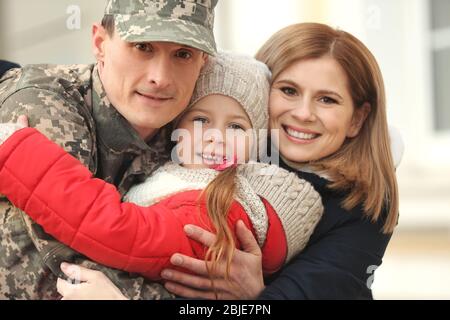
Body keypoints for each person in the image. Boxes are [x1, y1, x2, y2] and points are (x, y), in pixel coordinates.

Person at [0, 52, 323, 291]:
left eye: (237, 127)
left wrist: (17, 152)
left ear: (255, 144)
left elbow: (118, 231)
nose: (216, 136)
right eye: (200, 120)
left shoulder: (226, 208)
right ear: (176, 125)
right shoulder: (168, 173)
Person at [155, 22, 400, 300]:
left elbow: (317, 286)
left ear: (357, 119)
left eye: (327, 100)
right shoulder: (213, 148)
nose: (304, 113)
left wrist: (257, 292)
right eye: (289, 91)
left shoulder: (364, 202)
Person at [0, 0, 218, 300]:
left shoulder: (202, 121)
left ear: (202, 64)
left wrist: (251, 278)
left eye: (183, 54)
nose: (161, 77)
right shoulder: (43, 101)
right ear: (100, 43)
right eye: (143, 47)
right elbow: (75, 266)